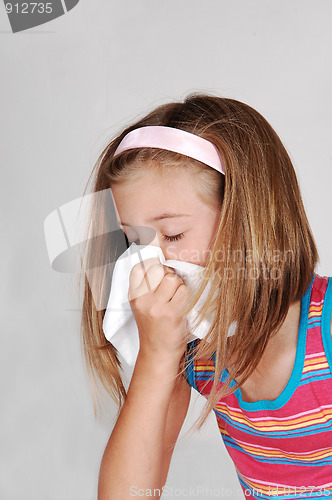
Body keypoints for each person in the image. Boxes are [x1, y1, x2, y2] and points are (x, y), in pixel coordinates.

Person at [80, 93, 332, 499]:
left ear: (248, 222)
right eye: (133, 241)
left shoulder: (327, 330)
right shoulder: (194, 348)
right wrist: (156, 356)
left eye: (174, 234)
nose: (149, 263)